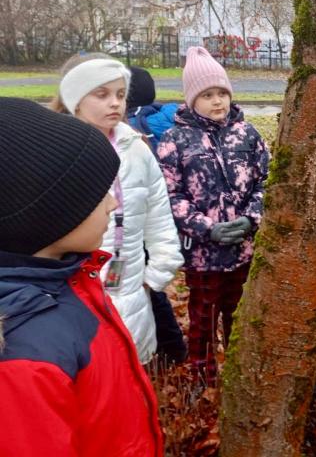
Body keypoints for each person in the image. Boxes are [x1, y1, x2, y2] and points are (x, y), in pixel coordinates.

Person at [0, 98, 163, 456]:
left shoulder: (69, 276)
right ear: (45, 216)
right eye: (96, 195)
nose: (113, 203)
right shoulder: (23, 358)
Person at [53, 55, 183, 364]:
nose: (115, 103)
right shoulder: (56, 152)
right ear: (75, 100)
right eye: (102, 94)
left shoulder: (137, 149)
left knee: (131, 367)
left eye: (121, 95)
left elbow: (159, 215)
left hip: (131, 287)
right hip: (75, 291)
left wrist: (158, 272)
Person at [158, 46, 270, 384]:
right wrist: (208, 228)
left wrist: (251, 218)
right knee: (203, 322)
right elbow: (171, 193)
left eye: (222, 92)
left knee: (241, 318)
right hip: (203, 256)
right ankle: (202, 379)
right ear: (192, 98)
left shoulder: (247, 135)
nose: (217, 101)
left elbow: (266, 180)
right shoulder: (174, 140)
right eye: (207, 94)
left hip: (244, 251)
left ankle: (239, 378)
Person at [126, 65, 187, 364]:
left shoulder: (130, 128)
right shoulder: (171, 117)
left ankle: (168, 350)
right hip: (172, 212)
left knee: (145, 286)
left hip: (141, 217)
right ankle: (174, 350)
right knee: (152, 286)